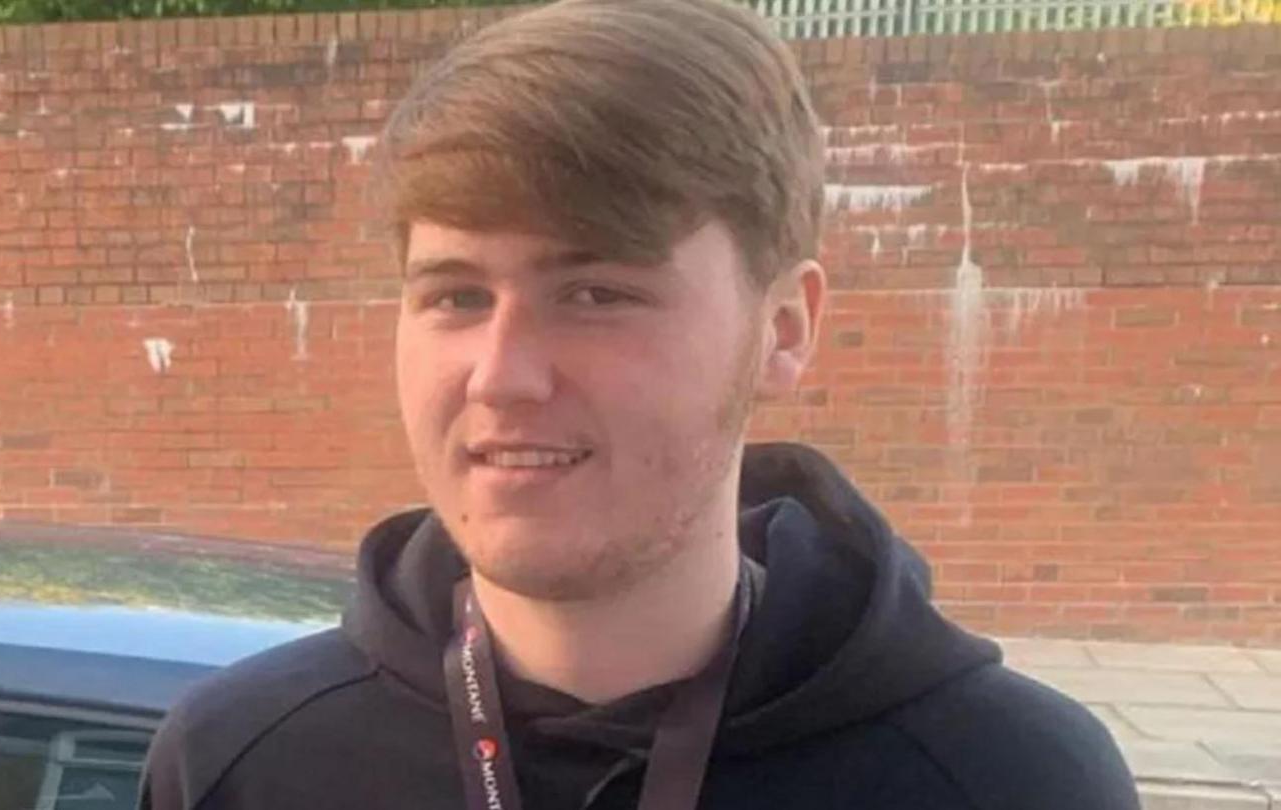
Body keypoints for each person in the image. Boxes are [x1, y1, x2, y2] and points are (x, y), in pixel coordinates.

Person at [140, 0, 1141, 808]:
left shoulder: (1008, 778)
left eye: (596, 294)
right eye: (455, 295)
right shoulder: (241, 762)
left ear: (784, 328)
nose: (502, 375)